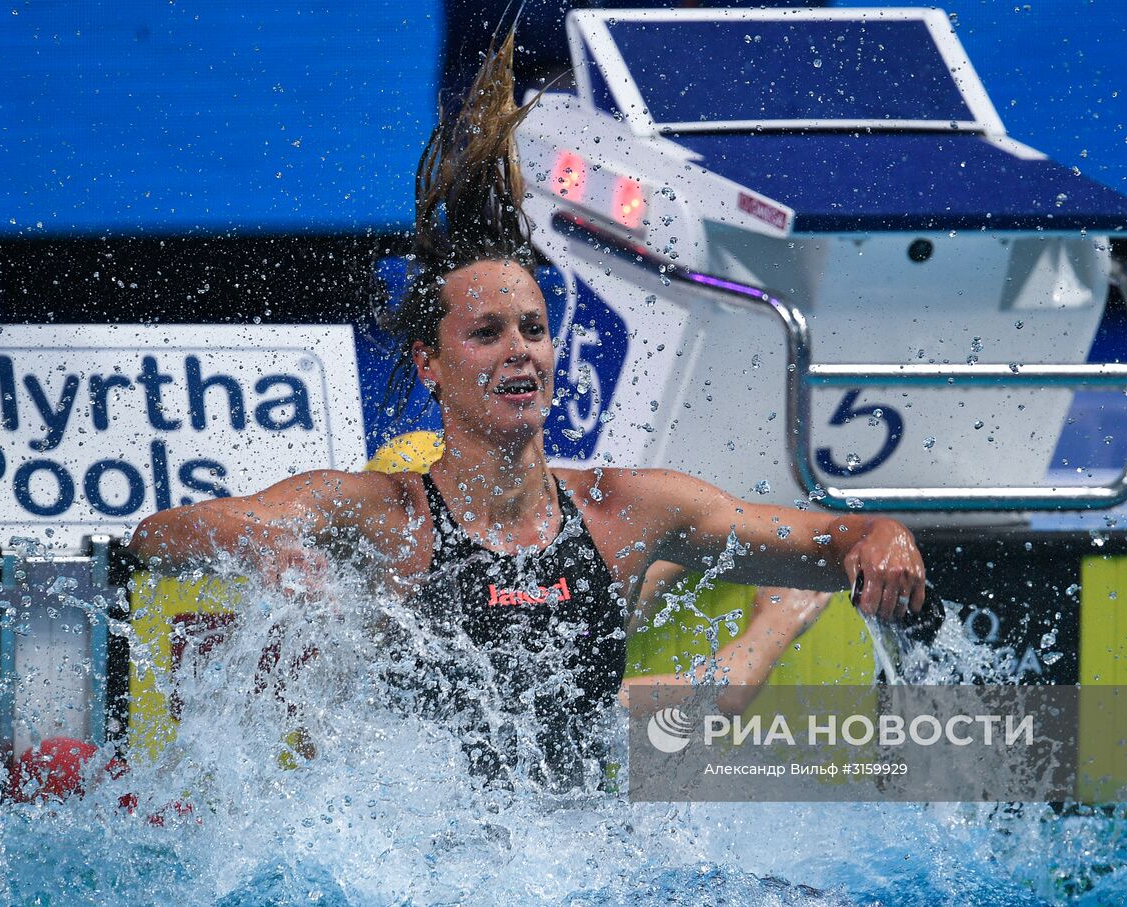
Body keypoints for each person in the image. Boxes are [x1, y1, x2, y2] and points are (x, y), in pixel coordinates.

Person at [128, 32, 926, 783]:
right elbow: (156, 537)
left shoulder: (622, 508)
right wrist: (263, 543)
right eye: (486, 332)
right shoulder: (390, 514)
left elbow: (825, 541)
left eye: (535, 329)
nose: (520, 349)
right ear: (429, 367)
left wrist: (880, 536)